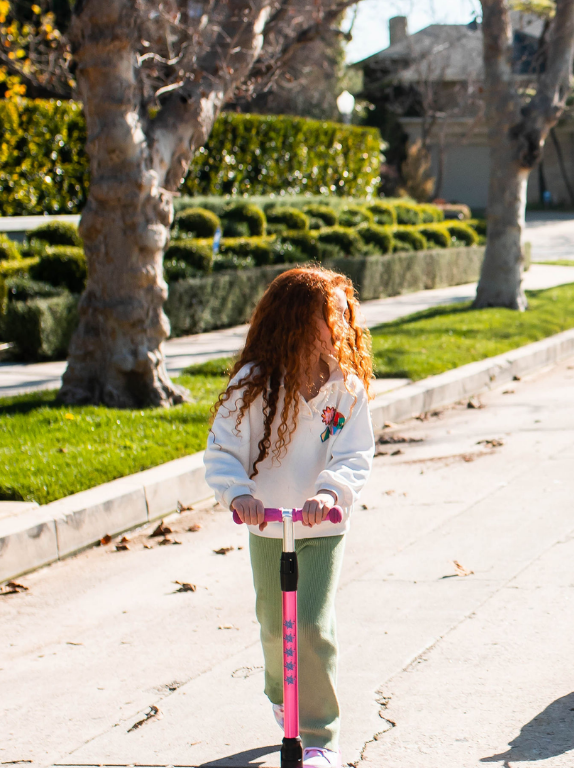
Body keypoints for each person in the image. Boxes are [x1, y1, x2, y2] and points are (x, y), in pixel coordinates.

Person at [204, 266, 375, 767]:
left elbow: (355, 453)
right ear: (299, 321)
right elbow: (223, 450)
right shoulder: (254, 385)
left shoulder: (345, 386)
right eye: (331, 317)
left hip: (322, 524)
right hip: (269, 523)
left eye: (346, 315)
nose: (341, 325)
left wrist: (332, 491)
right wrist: (238, 495)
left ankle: (321, 738)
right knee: (274, 623)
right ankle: (283, 696)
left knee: (313, 626)